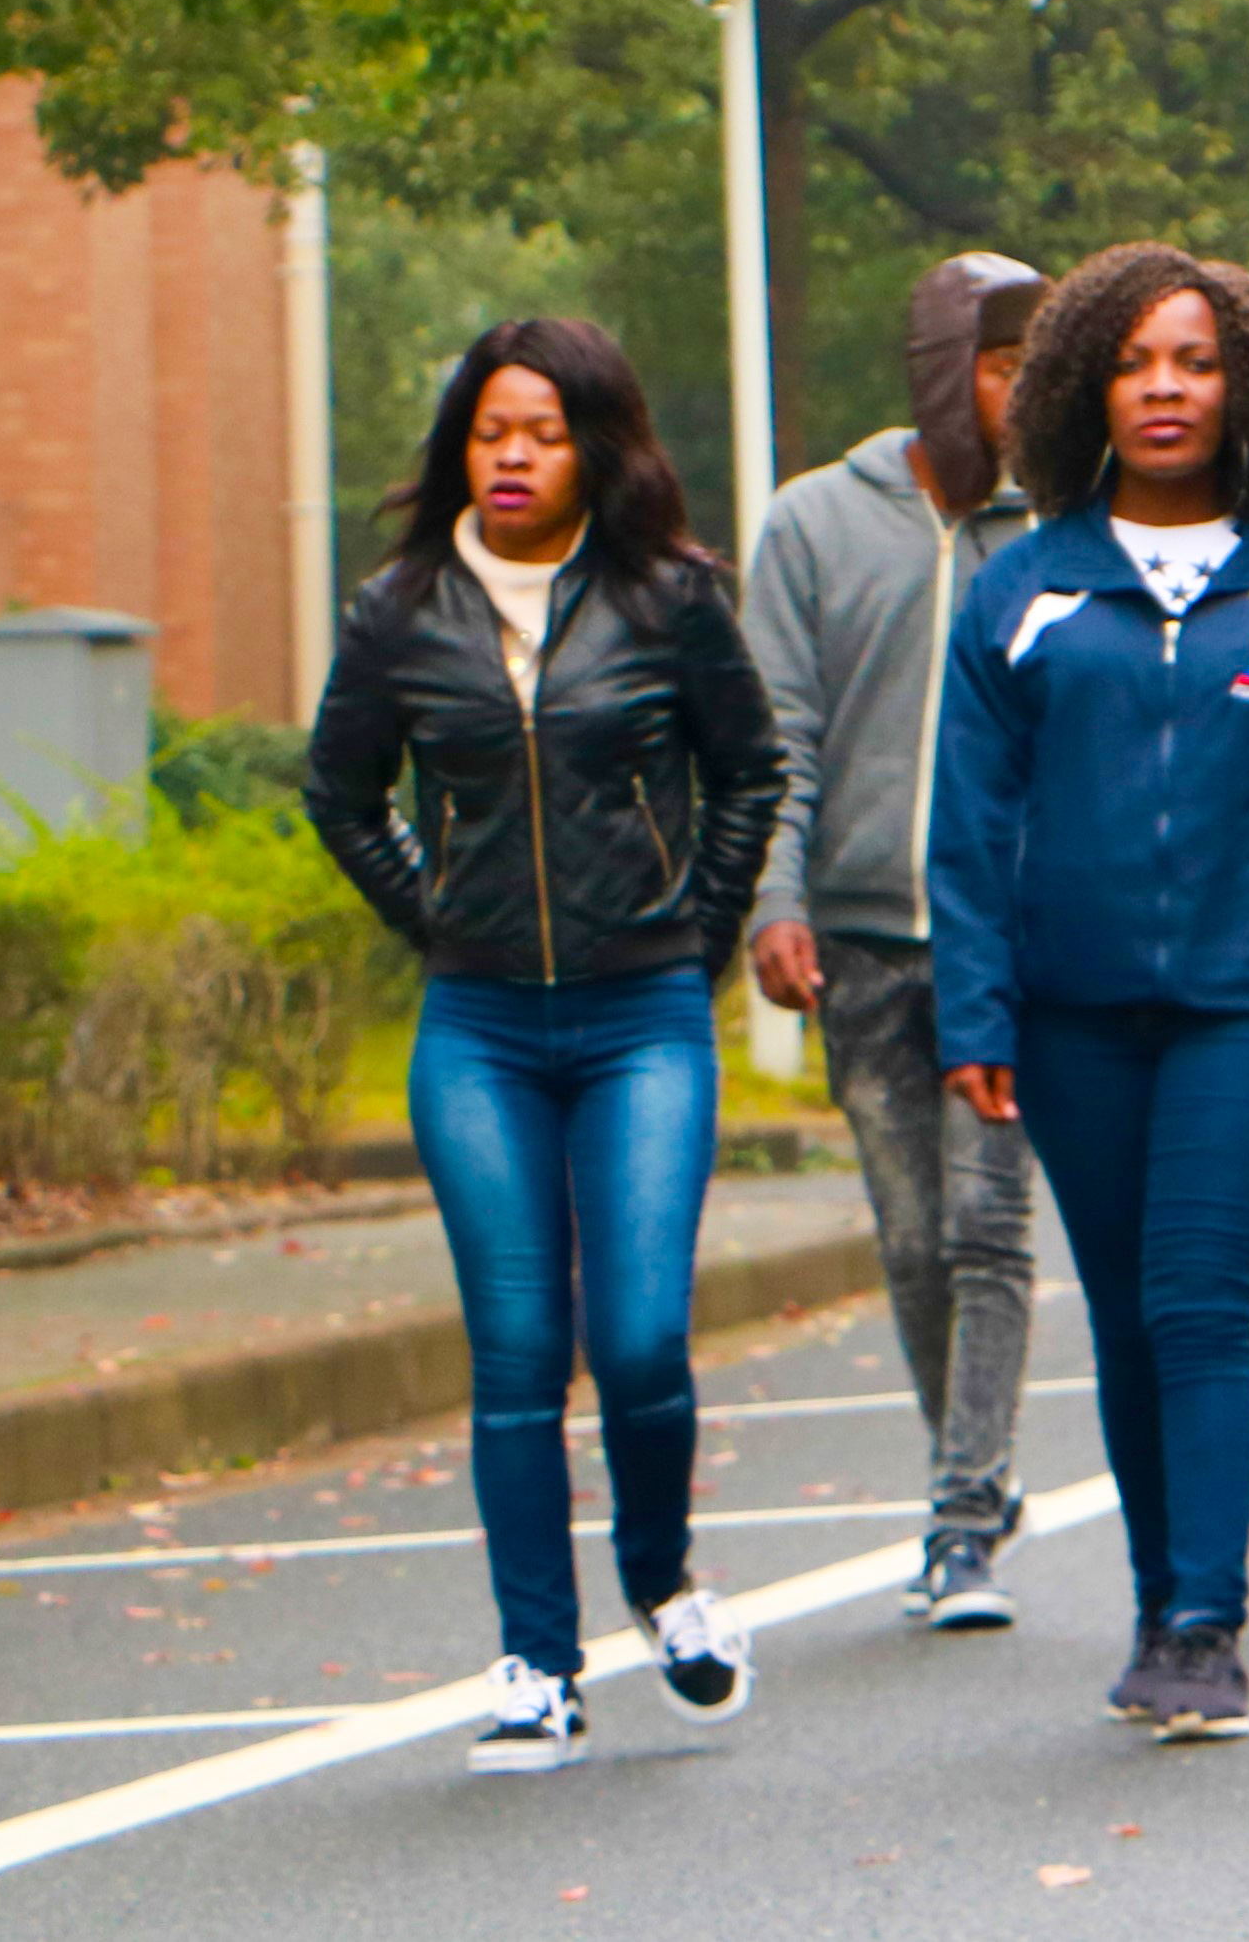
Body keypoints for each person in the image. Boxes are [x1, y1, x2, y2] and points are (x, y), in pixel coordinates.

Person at [930, 243, 1249, 1745]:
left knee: (1199, 1296)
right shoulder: (1022, 591)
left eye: (1194, 362)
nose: (1164, 387)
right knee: (1132, 1320)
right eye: (1135, 361)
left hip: (1244, 1009)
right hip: (1067, 1019)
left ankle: (1205, 1619)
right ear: (1086, 387)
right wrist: (976, 1010)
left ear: (1244, 387)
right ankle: (1158, 1600)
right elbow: (966, 822)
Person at [306, 317, 782, 1777]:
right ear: (462, 442)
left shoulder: (671, 596)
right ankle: (535, 1661)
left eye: (544, 431)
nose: (511, 455)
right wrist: (436, 915)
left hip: (643, 1016)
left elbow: (749, 771)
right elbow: (339, 789)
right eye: (491, 430)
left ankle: (662, 1580)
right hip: (482, 1028)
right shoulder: (400, 611)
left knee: (636, 1337)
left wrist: (693, 942)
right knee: (517, 1351)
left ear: (597, 447)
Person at [743, 254, 1046, 1632]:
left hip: (1010, 942)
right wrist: (777, 899)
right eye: (1000, 361)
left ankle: (962, 1517)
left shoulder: (1059, 535)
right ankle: (965, 1467)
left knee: (990, 1228)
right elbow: (778, 740)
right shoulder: (813, 525)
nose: (1024, 389)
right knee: (915, 1238)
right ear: (940, 371)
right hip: (859, 947)